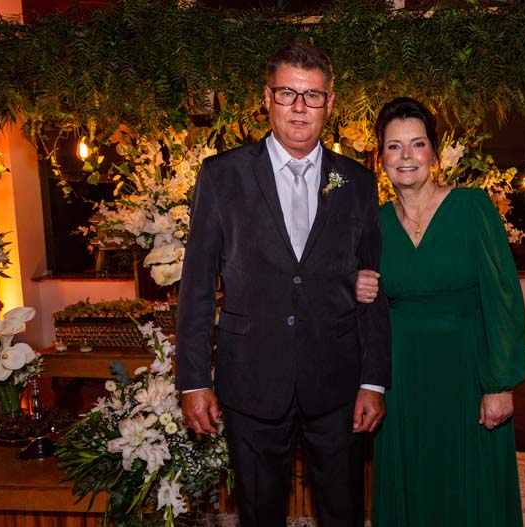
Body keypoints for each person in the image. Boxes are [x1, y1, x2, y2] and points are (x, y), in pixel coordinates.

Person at [175, 43, 391, 527]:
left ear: (329, 104)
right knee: (258, 513)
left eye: (312, 96)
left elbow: (372, 286)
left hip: (336, 381)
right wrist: (194, 380)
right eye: (287, 93)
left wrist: (372, 381)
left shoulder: (356, 181)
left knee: (344, 512)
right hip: (251, 379)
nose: (299, 107)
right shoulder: (222, 175)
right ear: (267, 98)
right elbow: (197, 286)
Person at [355, 97, 525, 526]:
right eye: (394, 146)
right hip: (403, 379)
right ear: (381, 158)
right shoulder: (374, 223)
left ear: (433, 151)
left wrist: (500, 384)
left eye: (417, 144)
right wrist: (355, 287)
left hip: (468, 374)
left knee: (471, 485)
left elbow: (504, 297)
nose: (407, 156)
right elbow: (361, 302)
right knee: (413, 480)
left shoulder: (472, 208)